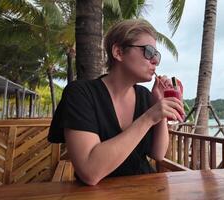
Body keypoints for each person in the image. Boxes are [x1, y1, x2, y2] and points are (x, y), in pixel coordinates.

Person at [48, 19, 184, 186]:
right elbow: (90, 172)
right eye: (149, 52)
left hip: (143, 189)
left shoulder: (144, 96)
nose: (155, 60)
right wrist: (149, 117)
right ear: (118, 52)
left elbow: (158, 153)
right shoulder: (80, 94)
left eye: (156, 55)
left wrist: (159, 108)